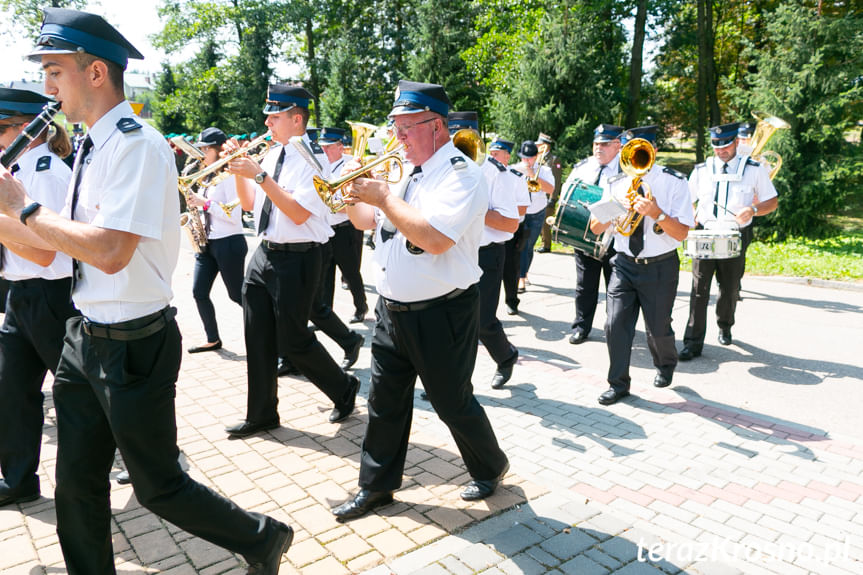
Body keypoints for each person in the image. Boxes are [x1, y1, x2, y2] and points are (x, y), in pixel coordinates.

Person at [0, 8, 292, 573]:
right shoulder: (91, 143)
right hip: (84, 335)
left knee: (159, 486)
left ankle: (261, 537)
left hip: (133, 341)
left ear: (95, 74)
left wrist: (23, 207)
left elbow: (109, 251)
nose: (46, 87)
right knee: (75, 487)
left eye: (55, 71)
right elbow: (62, 243)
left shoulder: (135, 145)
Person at [333, 81, 509, 522]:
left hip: (442, 312)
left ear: (436, 125)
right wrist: (351, 191)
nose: (398, 138)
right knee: (384, 401)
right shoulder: (404, 170)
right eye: (395, 128)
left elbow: (432, 239)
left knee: (451, 401)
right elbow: (363, 222)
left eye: (406, 128)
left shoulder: (462, 174)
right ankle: (376, 488)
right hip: (392, 308)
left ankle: (491, 465)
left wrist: (384, 196)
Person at [224, 83, 360, 439]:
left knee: (293, 341)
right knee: (257, 335)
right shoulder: (272, 155)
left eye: (275, 116)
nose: (267, 122)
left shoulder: (311, 160)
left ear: (297, 119)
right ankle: (262, 413)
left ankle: (344, 388)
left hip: (299, 258)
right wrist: (238, 172)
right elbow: (252, 205)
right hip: (266, 252)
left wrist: (258, 175)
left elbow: (298, 213)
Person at [0, 88, 79, 509]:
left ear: (24, 130)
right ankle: (18, 479)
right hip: (21, 295)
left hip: (52, 295)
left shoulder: (43, 168)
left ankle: (152, 454)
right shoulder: (16, 166)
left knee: (84, 393)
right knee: (11, 390)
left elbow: (44, 247)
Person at [588, 125, 694, 406]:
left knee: (658, 328)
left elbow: (682, 233)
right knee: (615, 324)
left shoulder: (675, 182)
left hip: (660, 266)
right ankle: (618, 384)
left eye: (640, 149)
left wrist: (656, 213)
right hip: (623, 264)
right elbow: (596, 226)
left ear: (654, 151)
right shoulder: (615, 183)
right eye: (628, 149)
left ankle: (665, 364)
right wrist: (616, 207)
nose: (633, 155)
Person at [679, 122, 777, 359]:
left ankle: (725, 325)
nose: (721, 151)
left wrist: (752, 209)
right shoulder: (702, 169)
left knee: (730, 287)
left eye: (725, 146)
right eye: (716, 146)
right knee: (698, 289)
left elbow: (771, 201)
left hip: (735, 234)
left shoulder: (754, 169)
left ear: (735, 143)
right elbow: (686, 199)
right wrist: (689, 214)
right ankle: (692, 342)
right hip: (706, 231)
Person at [184, 127, 248, 354]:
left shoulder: (230, 176)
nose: (201, 153)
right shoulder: (205, 176)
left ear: (219, 149)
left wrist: (206, 204)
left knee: (238, 296)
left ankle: (275, 337)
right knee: (199, 292)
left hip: (228, 242)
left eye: (205, 149)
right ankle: (212, 339)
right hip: (207, 243)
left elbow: (234, 214)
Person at [566, 124, 623, 345]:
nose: (599, 148)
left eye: (605, 144)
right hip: (584, 236)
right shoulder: (583, 167)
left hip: (614, 239)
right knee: (584, 286)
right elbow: (568, 194)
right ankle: (581, 326)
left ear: (617, 146)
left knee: (614, 288)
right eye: (596, 144)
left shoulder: (626, 169)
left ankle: (614, 329)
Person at [475, 127, 521, 389]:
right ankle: (455, 383)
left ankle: (505, 356)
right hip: (456, 252)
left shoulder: (497, 173)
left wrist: (476, 208)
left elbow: (511, 224)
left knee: (482, 322)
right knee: (458, 322)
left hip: (487, 254)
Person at [318, 126, 368, 323]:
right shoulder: (321, 165)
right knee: (324, 276)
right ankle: (326, 316)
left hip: (344, 229)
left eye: (329, 147)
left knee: (350, 272)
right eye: (323, 146)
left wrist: (331, 205)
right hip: (325, 228)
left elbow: (357, 201)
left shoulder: (350, 165)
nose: (325, 150)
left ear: (340, 147)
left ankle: (361, 307)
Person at [491, 139, 530, 316]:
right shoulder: (484, 175)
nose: (491, 156)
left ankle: (512, 301)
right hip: (488, 231)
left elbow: (523, 207)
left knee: (511, 268)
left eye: (496, 154)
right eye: (490, 153)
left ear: (507, 156)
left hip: (511, 230)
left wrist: (502, 212)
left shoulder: (516, 177)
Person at [514, 140, 555, 293]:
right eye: (524, 158)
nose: (527, 161)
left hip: (537, 211)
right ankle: (519, 276)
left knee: (528, 246)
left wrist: (533, 175)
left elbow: (550, 188)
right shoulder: (515, 169)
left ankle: (522, 276)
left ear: (536, 156)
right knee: (519, 245)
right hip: (519, 212)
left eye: (530, 158)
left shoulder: (544, 170)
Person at [536, 133, 563, 253]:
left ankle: (546, 245)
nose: (537, 147)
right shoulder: (538, 158)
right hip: (538, 195)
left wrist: (553, 198)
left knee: (545, 222)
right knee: (539, 221)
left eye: (540, 145)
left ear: (545, 146)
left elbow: (557, 181)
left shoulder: (554, 160)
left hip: (548, 196)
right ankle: (543, 242)